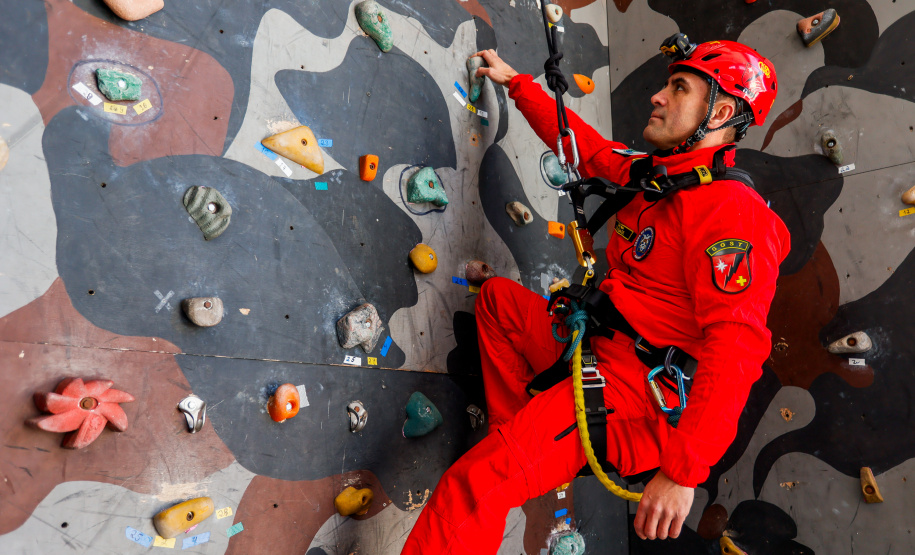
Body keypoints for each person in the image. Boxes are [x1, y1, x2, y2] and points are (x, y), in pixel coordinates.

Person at [401, 35, 790, 554]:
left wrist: (682, 474)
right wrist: (517, 84)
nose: (657, 95)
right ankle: (515, 445)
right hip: (596, 349)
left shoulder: (731, 213)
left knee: (471, 487)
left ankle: (506, 467)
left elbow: (735, 351)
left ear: (718, 112)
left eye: (678, 88)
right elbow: (588, 149)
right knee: (497, 302)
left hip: (632, 396)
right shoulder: (667, 177)